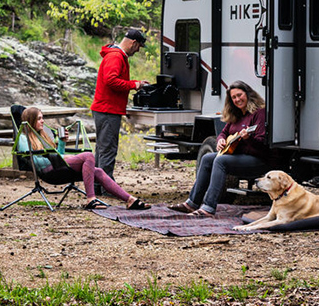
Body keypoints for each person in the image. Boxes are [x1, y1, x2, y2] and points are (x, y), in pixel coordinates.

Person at [17, 106, 149, 210]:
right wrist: (60, 156)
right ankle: (91, 199)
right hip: (49, 172)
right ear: (31, 121)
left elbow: (57, 154)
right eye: (39, 118)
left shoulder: (43, 136)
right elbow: (38, 161)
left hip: (57, 168)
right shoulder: (23, 138)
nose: (43, 121)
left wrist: (62, 142)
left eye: (42, 118)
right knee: (88, 156)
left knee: (97, 171)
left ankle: (130, 200)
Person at [169, 80, 270, 217]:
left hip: (258, 159)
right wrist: (220, 139)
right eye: (233, 97)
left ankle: (208, 208)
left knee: (220, 161)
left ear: (248, 94)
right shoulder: (236, 114)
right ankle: (191, 204)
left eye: (239, 95)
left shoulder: (259, 113)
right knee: (207, 158)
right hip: (239, 156)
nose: (237, 99)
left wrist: (248, 138)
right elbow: (224, 132)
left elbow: (262, 144)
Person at [90, 28, 149, 181]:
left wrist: (136, 84)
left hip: (106, 109)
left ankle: (98, 185)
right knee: (108, 150)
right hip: (107, 110)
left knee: (103, 149)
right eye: (138, 48)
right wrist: (134, 85)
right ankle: (106, 185)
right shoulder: (116, 57)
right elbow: (111, 81)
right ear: (133, 43)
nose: (137, 51)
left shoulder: (115, 55)